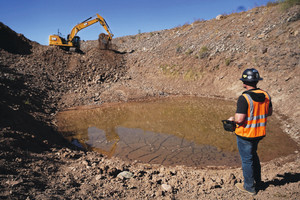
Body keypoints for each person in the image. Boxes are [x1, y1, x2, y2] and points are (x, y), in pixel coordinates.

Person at [228, 68, 272, 195]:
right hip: (259, 133)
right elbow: (268, 112)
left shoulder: (244, 98)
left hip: (245, 134)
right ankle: (258, 182)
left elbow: (240, 119)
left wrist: (232, 119)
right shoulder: (266, 95)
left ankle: (249, 187)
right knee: (254, 156)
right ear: (257, 81)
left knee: (247, 160)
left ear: (244, 83)